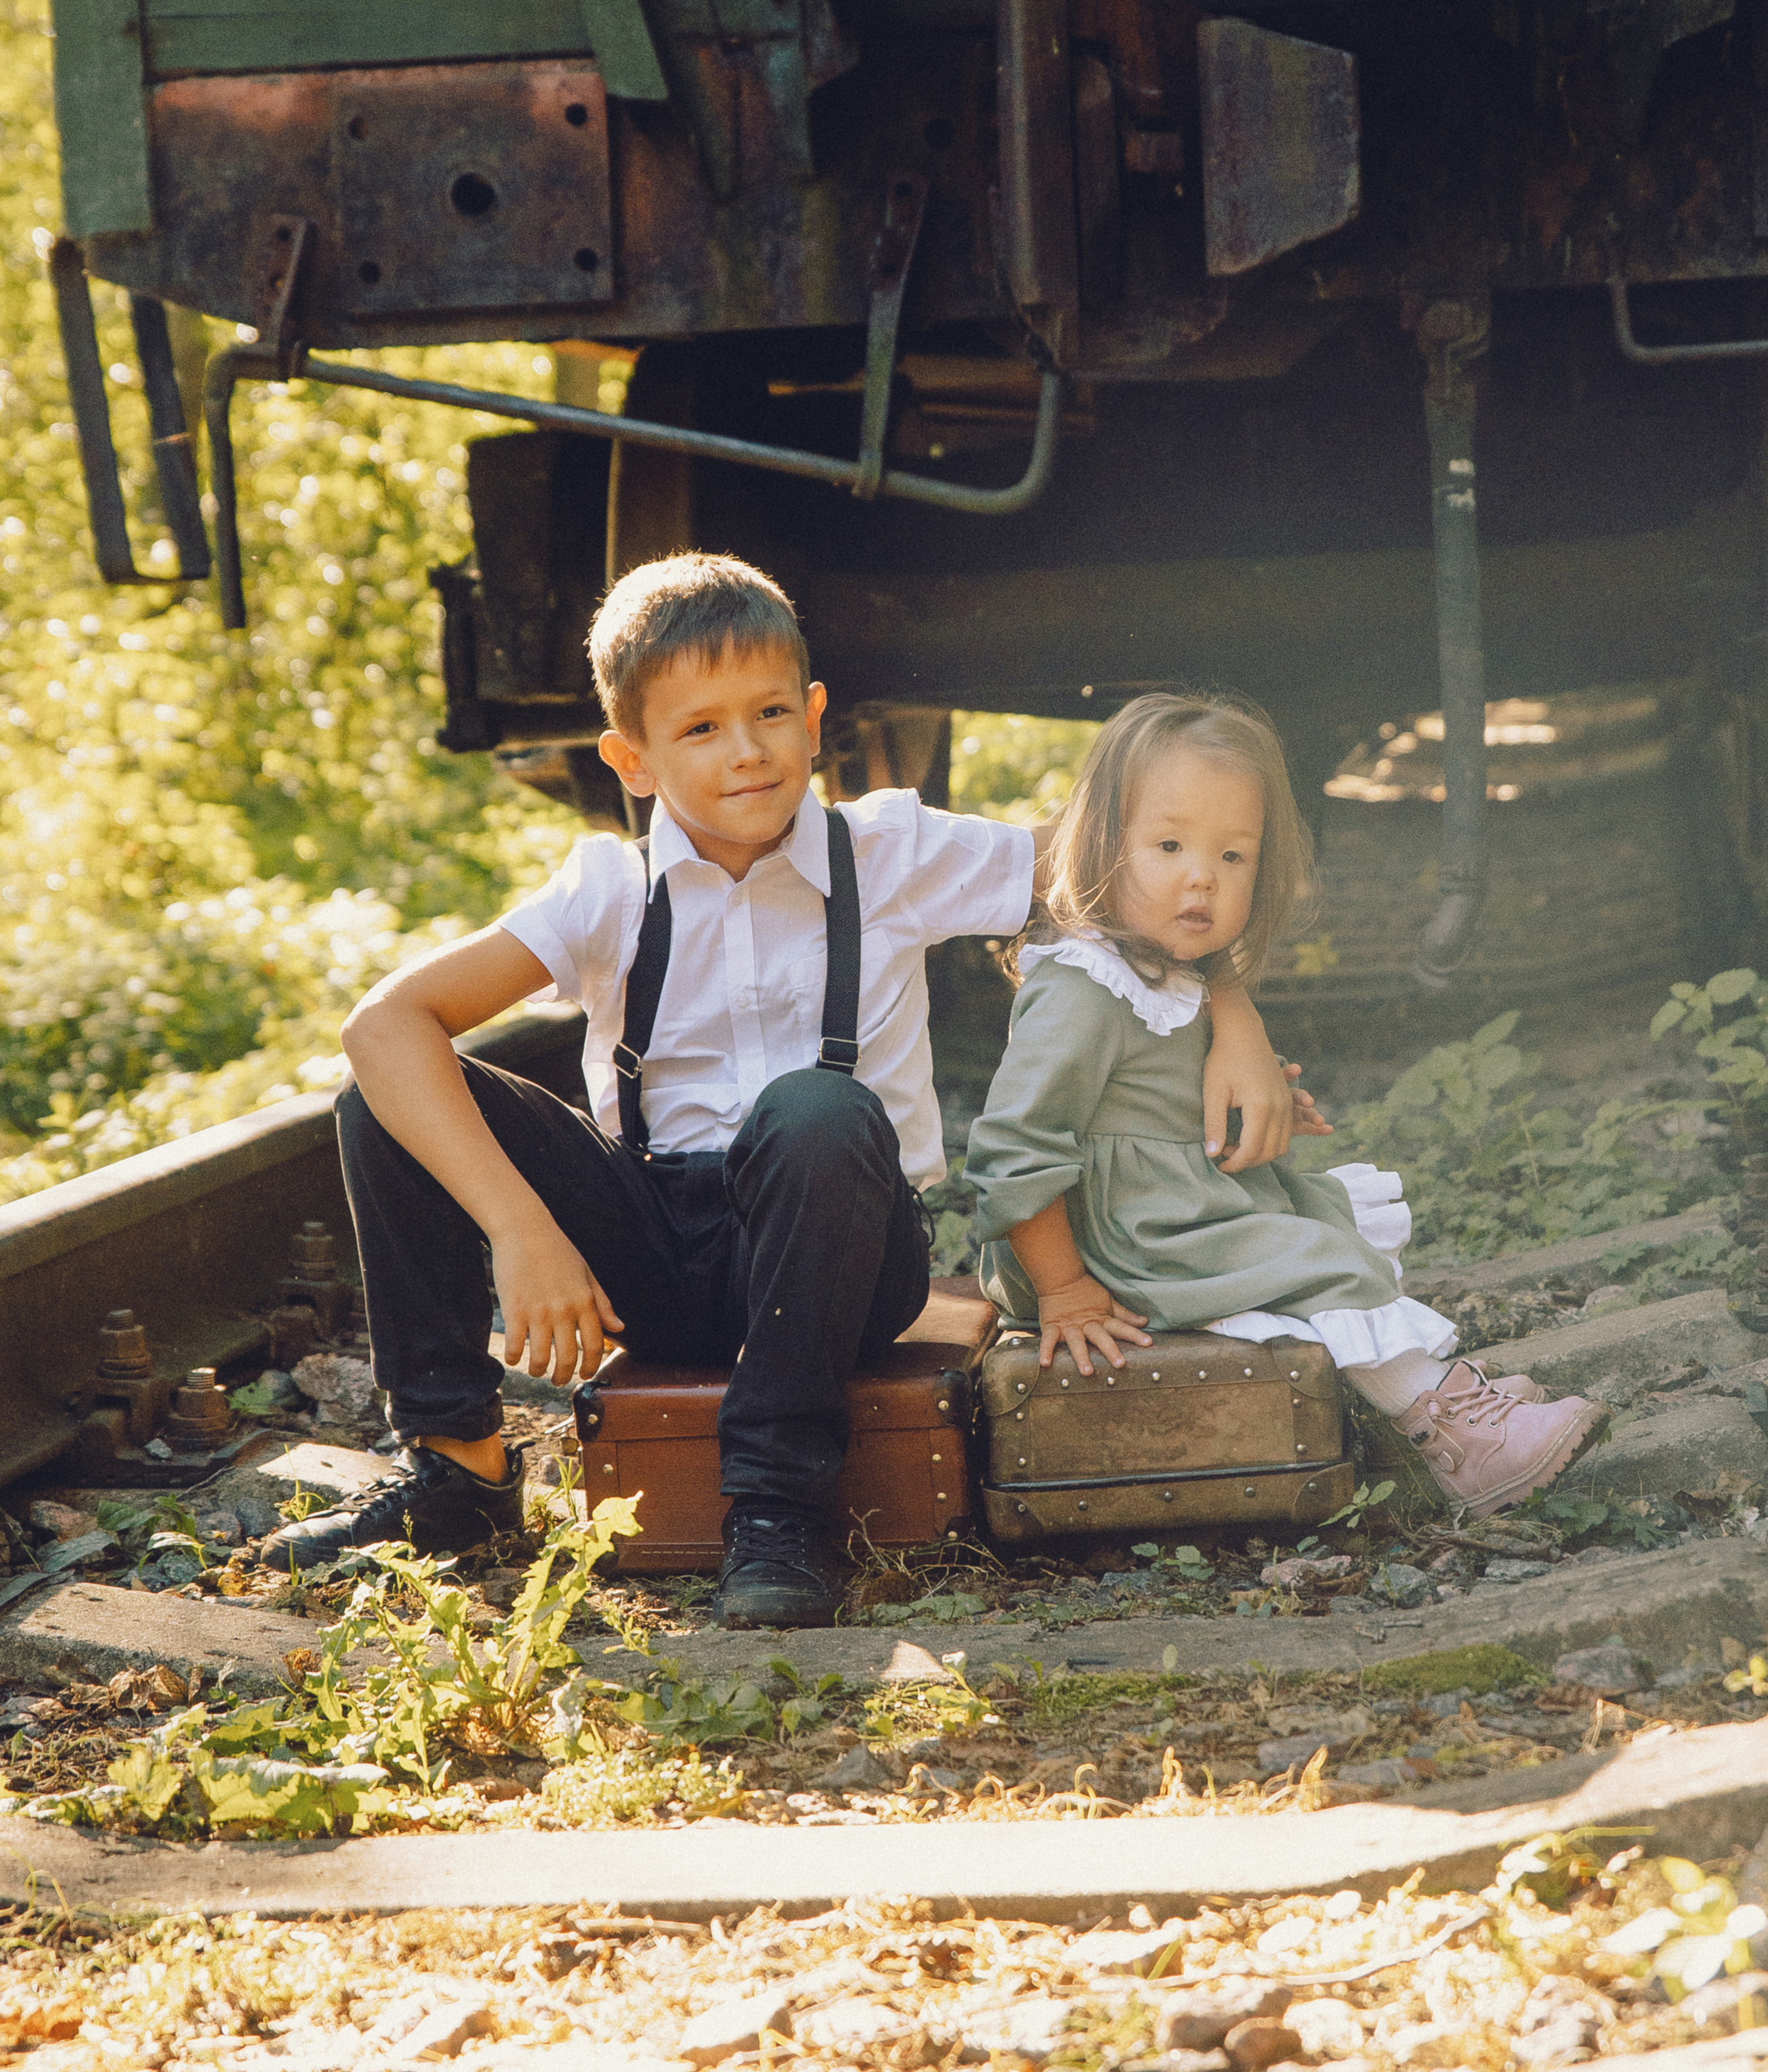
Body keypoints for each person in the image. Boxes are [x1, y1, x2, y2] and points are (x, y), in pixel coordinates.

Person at [267, 555, 1314, 1623]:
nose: (747, 750)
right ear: (632, 760)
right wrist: (520, 1228)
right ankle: (460, 1474)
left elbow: (1124, 874)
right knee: (382, 1100)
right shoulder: (606, 890)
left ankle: (777, 1509)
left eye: (770, 712)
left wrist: (1231, 1012)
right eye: (700, 728)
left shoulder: (893, 850)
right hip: (660, 1253)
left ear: (814, 720)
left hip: (847, 1252)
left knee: (814, 1107)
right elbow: (382, 1026)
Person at [966, 691, 1609, 1517]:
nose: (1202, 876)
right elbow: (1014, 1148)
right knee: (1313, 1263)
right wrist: (1063, 1287)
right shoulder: (1082, 988)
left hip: (1165, 1210)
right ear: (1100, 845)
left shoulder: (1164, 967)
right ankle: (1462, 1439)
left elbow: (1149, 1095)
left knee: (1324, 1224)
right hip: (1110, 1243)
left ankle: (1419, 1395)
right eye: (1169, 845)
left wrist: (1254, 1106)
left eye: (1233, 856)